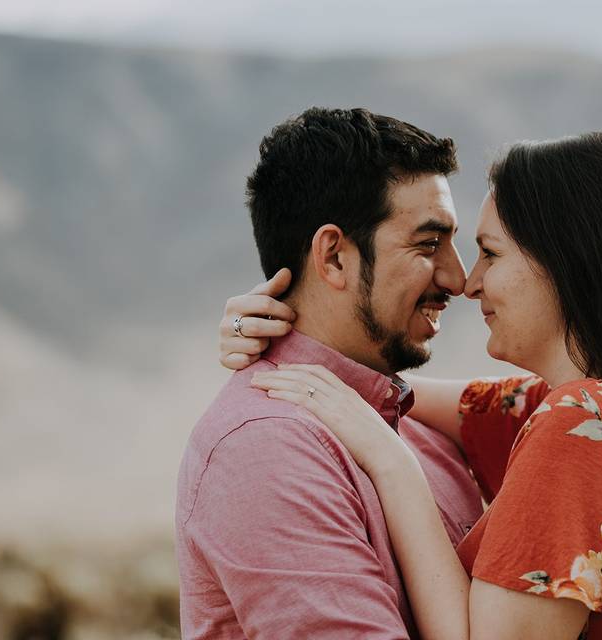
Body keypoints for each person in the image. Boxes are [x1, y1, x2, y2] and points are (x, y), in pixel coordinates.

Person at [221, 132, 602, 639]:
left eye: (491, 253)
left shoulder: (582, 428)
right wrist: (280, 333)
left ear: (567, 262)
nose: (468, 283)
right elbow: (398, 398)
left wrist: (395, 467)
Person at [176, 107, 486, 639]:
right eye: (428, 244)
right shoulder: (267, 449)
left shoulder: (425, 431)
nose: (458, 279)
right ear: (335, 257)